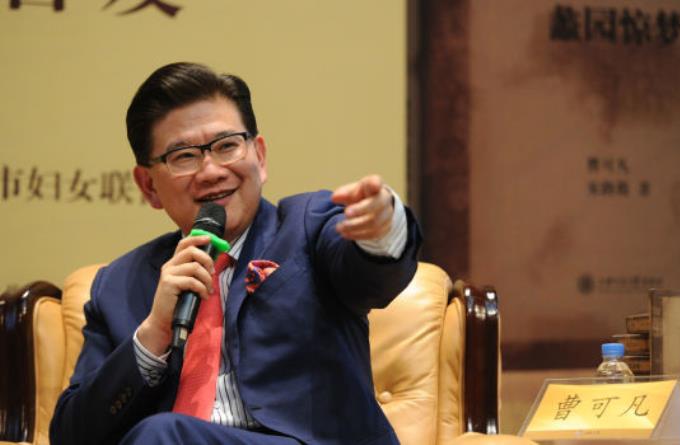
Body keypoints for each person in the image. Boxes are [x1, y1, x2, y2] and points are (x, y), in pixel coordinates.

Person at [49, 62, 422, 445]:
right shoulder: (117, 285)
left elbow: (372, 277)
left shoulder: (307, 227)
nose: (211, 171)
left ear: (259, 156)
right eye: (184, 156)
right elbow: (72, 436)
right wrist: (152, 336)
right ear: (148, 186)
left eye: (227, 146)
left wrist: (382, 231)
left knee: (163, 434)